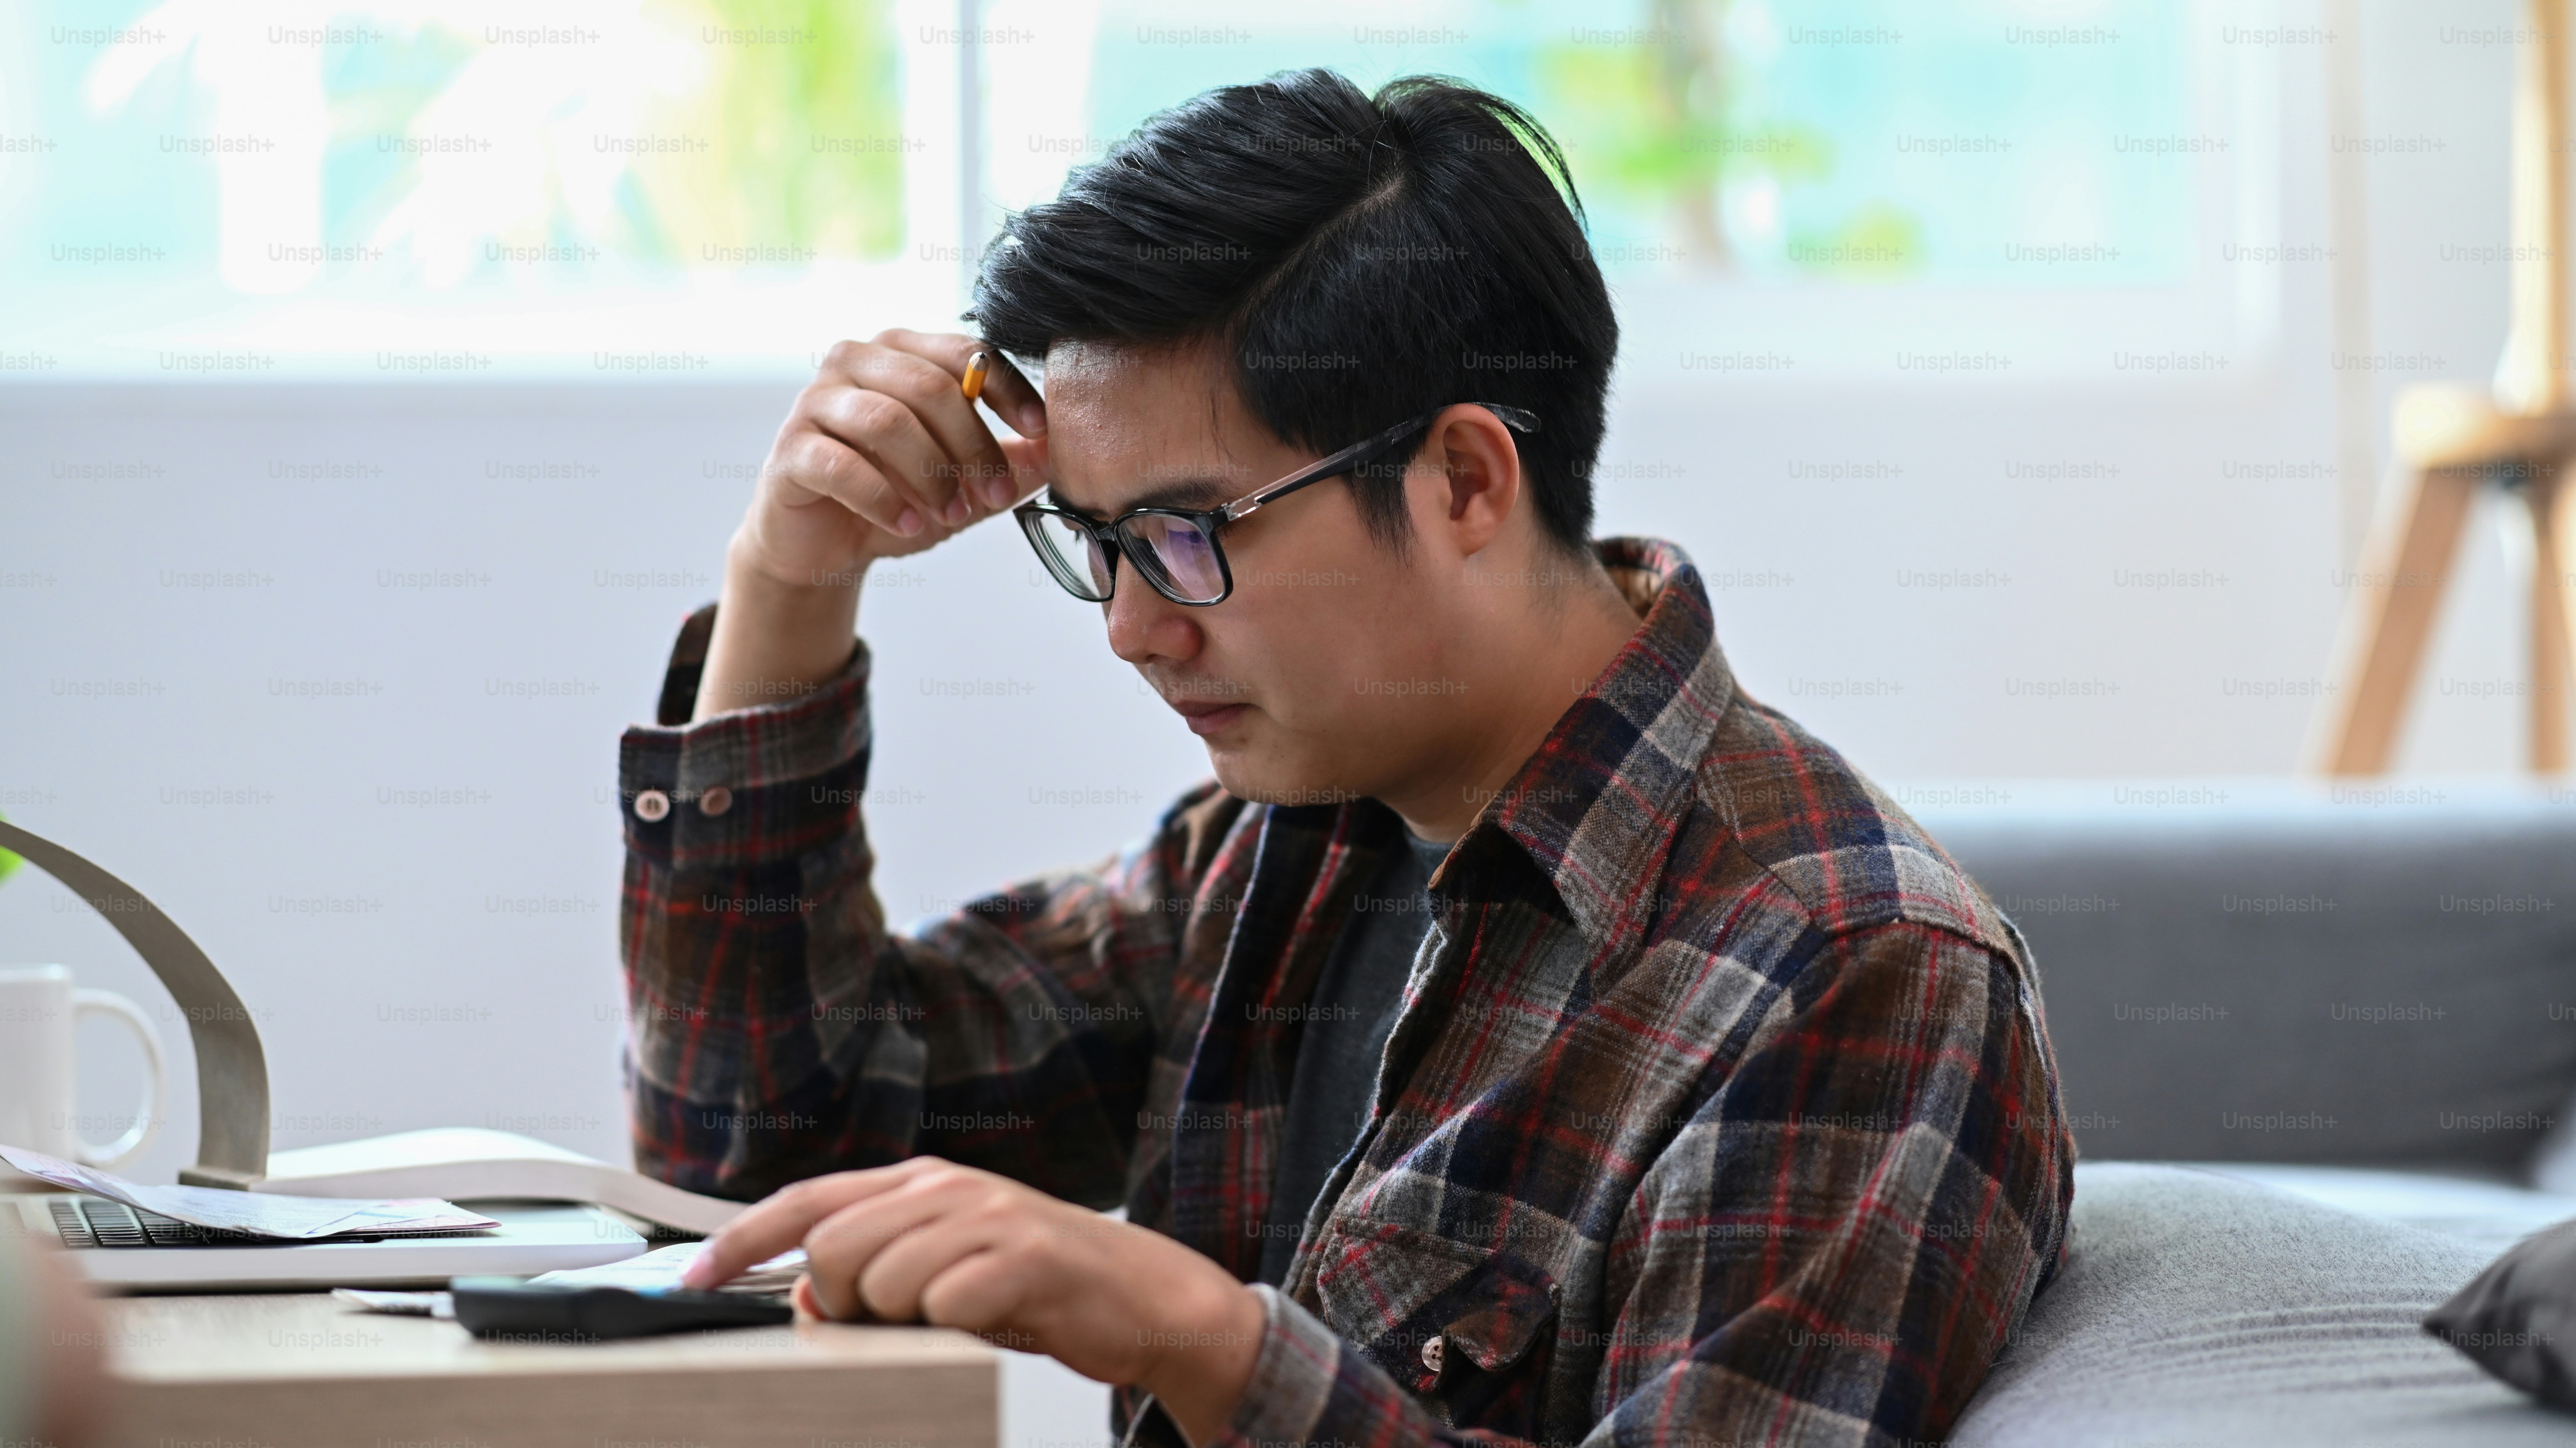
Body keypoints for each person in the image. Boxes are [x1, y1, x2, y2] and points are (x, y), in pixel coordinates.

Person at [620, 68, 2074, 1447]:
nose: (1129, 628)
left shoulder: (1855, 970)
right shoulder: (1283, 845)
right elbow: (764, 1153)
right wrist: (791, 582)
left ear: (1463, 479)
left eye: (1189, 538)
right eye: (1098, 544)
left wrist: (1208, 1343)